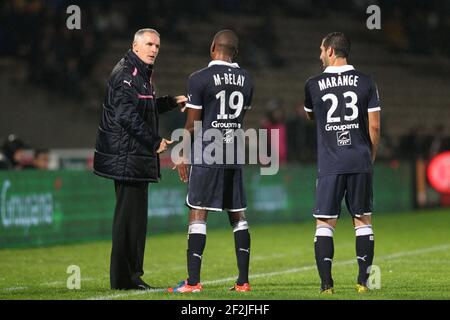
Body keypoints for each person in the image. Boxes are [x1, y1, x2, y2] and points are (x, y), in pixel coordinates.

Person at [93, 28, 187, 290]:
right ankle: (127, 279)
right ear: (135, 46)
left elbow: (142, 107)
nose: (154, 49)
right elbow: (125, 114)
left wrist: (168, 102)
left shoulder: (140, 74)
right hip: (127, 158)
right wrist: (154, 141)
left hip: (134, 158)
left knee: (133, 220)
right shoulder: (126, 73)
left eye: (157, 45)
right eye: (149, 44)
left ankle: (128, 277)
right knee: (129, 220)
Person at [169, 30, 254, 293]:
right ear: (235, 53)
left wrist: (181, 152)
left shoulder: (199, 78)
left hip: (208, 151)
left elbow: (193, 123)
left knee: (197, 213)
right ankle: (243, 281)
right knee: (238, 216)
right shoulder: (247, 79)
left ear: (212, 47)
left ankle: (193, 282)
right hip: (233, 151)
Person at [303, 32, 381, 294]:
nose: (320, 55)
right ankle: (363, 282)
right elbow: (375, 125)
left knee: (325, 224)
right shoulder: (367, 82)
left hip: (330, 163)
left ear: (331, 52)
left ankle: (327, 285)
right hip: (359, 159)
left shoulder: (313, 84)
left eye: (322, 50)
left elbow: (310, 114)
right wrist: (371, 154)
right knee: (362, 220)